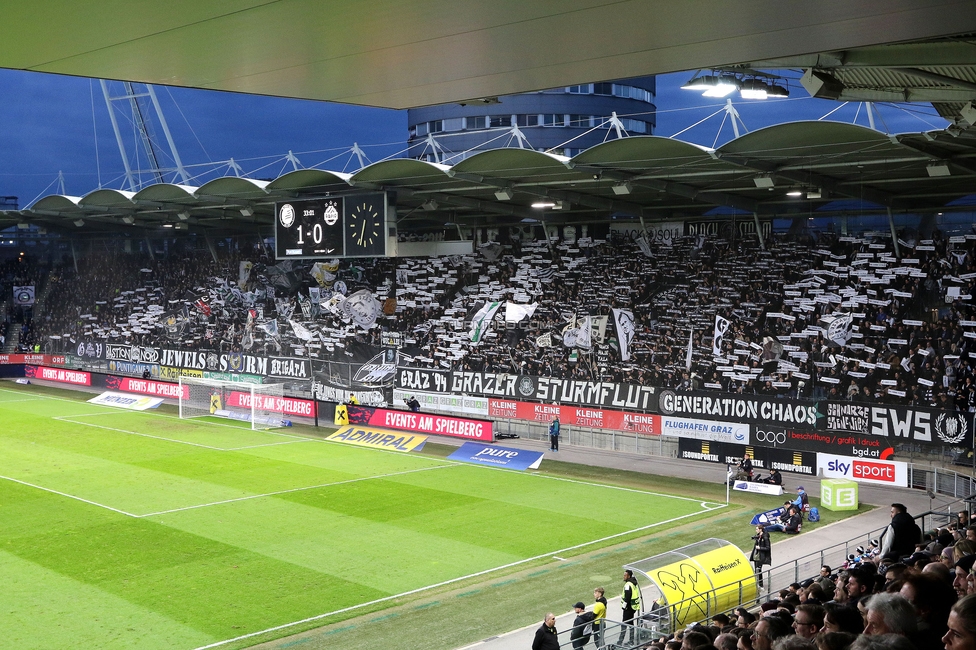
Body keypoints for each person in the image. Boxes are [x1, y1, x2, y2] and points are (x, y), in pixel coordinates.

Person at [618, 569, 642, 646]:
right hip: (633, 606)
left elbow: (627, 597)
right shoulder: (633, 583)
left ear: (629, 576)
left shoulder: (628, 585)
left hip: (628, 607)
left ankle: (620, 641)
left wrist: (624, 606)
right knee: (631, 623)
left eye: (625, 575)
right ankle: (631, 640)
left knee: (624, 624)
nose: (623, 576)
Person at [750, 524, 771, 589]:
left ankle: (760, 585)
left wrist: (760, 548)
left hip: (761, 556)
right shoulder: (759, 536)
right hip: (757, 555)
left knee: (758, 570)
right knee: (757, 570)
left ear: (760, 529)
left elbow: (768, 548)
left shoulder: (765, 537)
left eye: (757, 529)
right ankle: (758, 583)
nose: (756, 530)